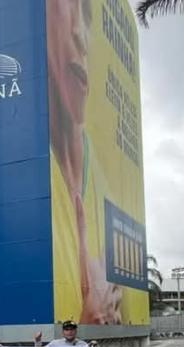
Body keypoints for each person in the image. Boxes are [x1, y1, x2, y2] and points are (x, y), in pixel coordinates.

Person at [47, 0, 128, 325]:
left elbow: (120, 311)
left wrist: (110, 313)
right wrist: (87, 317)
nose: (81, 34)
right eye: (70, 7)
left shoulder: (102, 182)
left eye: (87, 15)